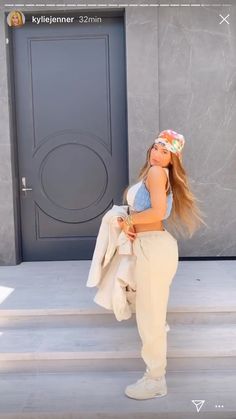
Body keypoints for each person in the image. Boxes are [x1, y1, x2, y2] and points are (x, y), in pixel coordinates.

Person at [117, 129, 207, 400]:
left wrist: (129, 222)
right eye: (156, 147)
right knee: (150, 313)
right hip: (153, 245)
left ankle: (156, 379)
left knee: (150, 316)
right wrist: (129, 224)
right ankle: (155, 371)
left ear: (172, 159)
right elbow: (149, 214)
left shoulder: (157, 173)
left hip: (154, 248)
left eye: (164, 151)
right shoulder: (155, 172)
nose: (157, 154)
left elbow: (156, 213)